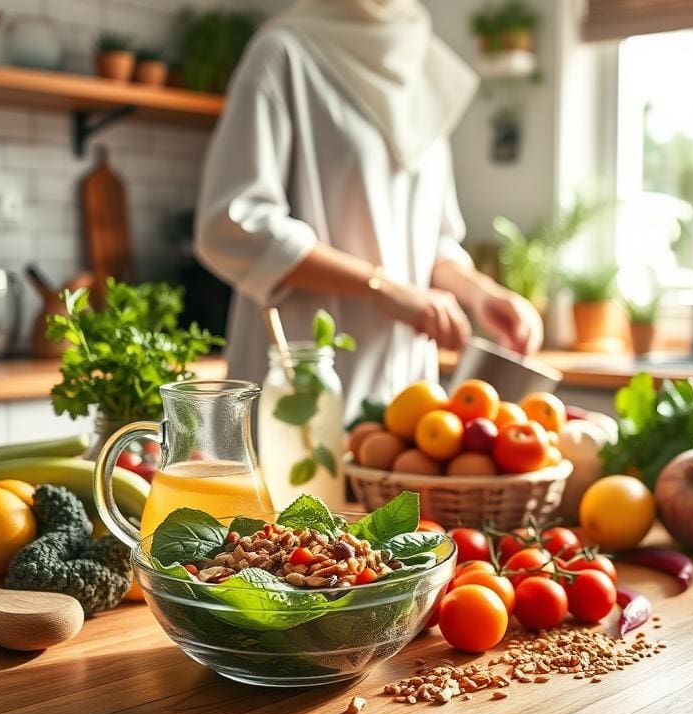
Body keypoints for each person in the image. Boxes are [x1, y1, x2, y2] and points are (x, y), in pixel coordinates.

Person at [195, 0, 543, 421]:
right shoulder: (283, 53)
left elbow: (434, 240)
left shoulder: (422, 65)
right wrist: (383, 288)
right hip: (302, 388)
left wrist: (480, 294)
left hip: (408, 396)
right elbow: (235, 223)